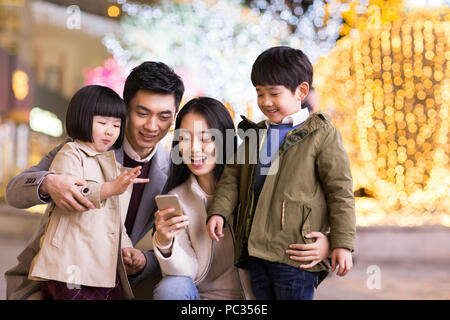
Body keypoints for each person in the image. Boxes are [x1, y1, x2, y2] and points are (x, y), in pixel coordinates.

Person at [4, 61, 185, 300]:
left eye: (164, 117)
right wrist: (48, 182)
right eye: (142, 113)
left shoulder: (174, 170)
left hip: (120, 285)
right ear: (125, 108)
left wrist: (145, 261)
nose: (152, 126)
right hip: (60, 279)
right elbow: (14, 191)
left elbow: (180, 244)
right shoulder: (83, 146)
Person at [206, 46, 356, 300]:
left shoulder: (322, 135)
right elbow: (232, 176)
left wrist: (341, 243)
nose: (265, 101)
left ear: (302, 91)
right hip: (255, 252)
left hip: (295, 254)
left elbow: (339, 192)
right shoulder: (255, 136)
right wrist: (219, 211)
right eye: (260, 93)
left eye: (274, 93)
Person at [151, 97, 331, 300]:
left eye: (205, 138)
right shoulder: (177, 199)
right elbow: (188, 272)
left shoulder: (253, 187)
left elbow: (308, 204)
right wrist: (166, 243)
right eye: (184, 138)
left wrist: (328, 244)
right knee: (172, 287)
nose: (194, 149)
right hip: (200, 298)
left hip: (254, 297)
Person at [28, 85, 149, 299]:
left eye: (116, 125)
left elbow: (116, 222)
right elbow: (73, 194)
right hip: (69, 265)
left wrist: (127, 249)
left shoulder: (112, 165)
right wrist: (111, 188)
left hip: (101, 268)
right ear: (82, 119)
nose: (110, 131)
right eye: (102, 123)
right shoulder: (71, 153)